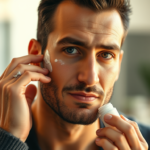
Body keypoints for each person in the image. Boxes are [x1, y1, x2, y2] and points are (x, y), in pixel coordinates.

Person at [0, 0, 150, 149]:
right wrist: (10, 141)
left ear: (118, 64)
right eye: (71, 50)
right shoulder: (5, 140)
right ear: (35, 54)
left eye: (106, 55)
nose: (90, 78)